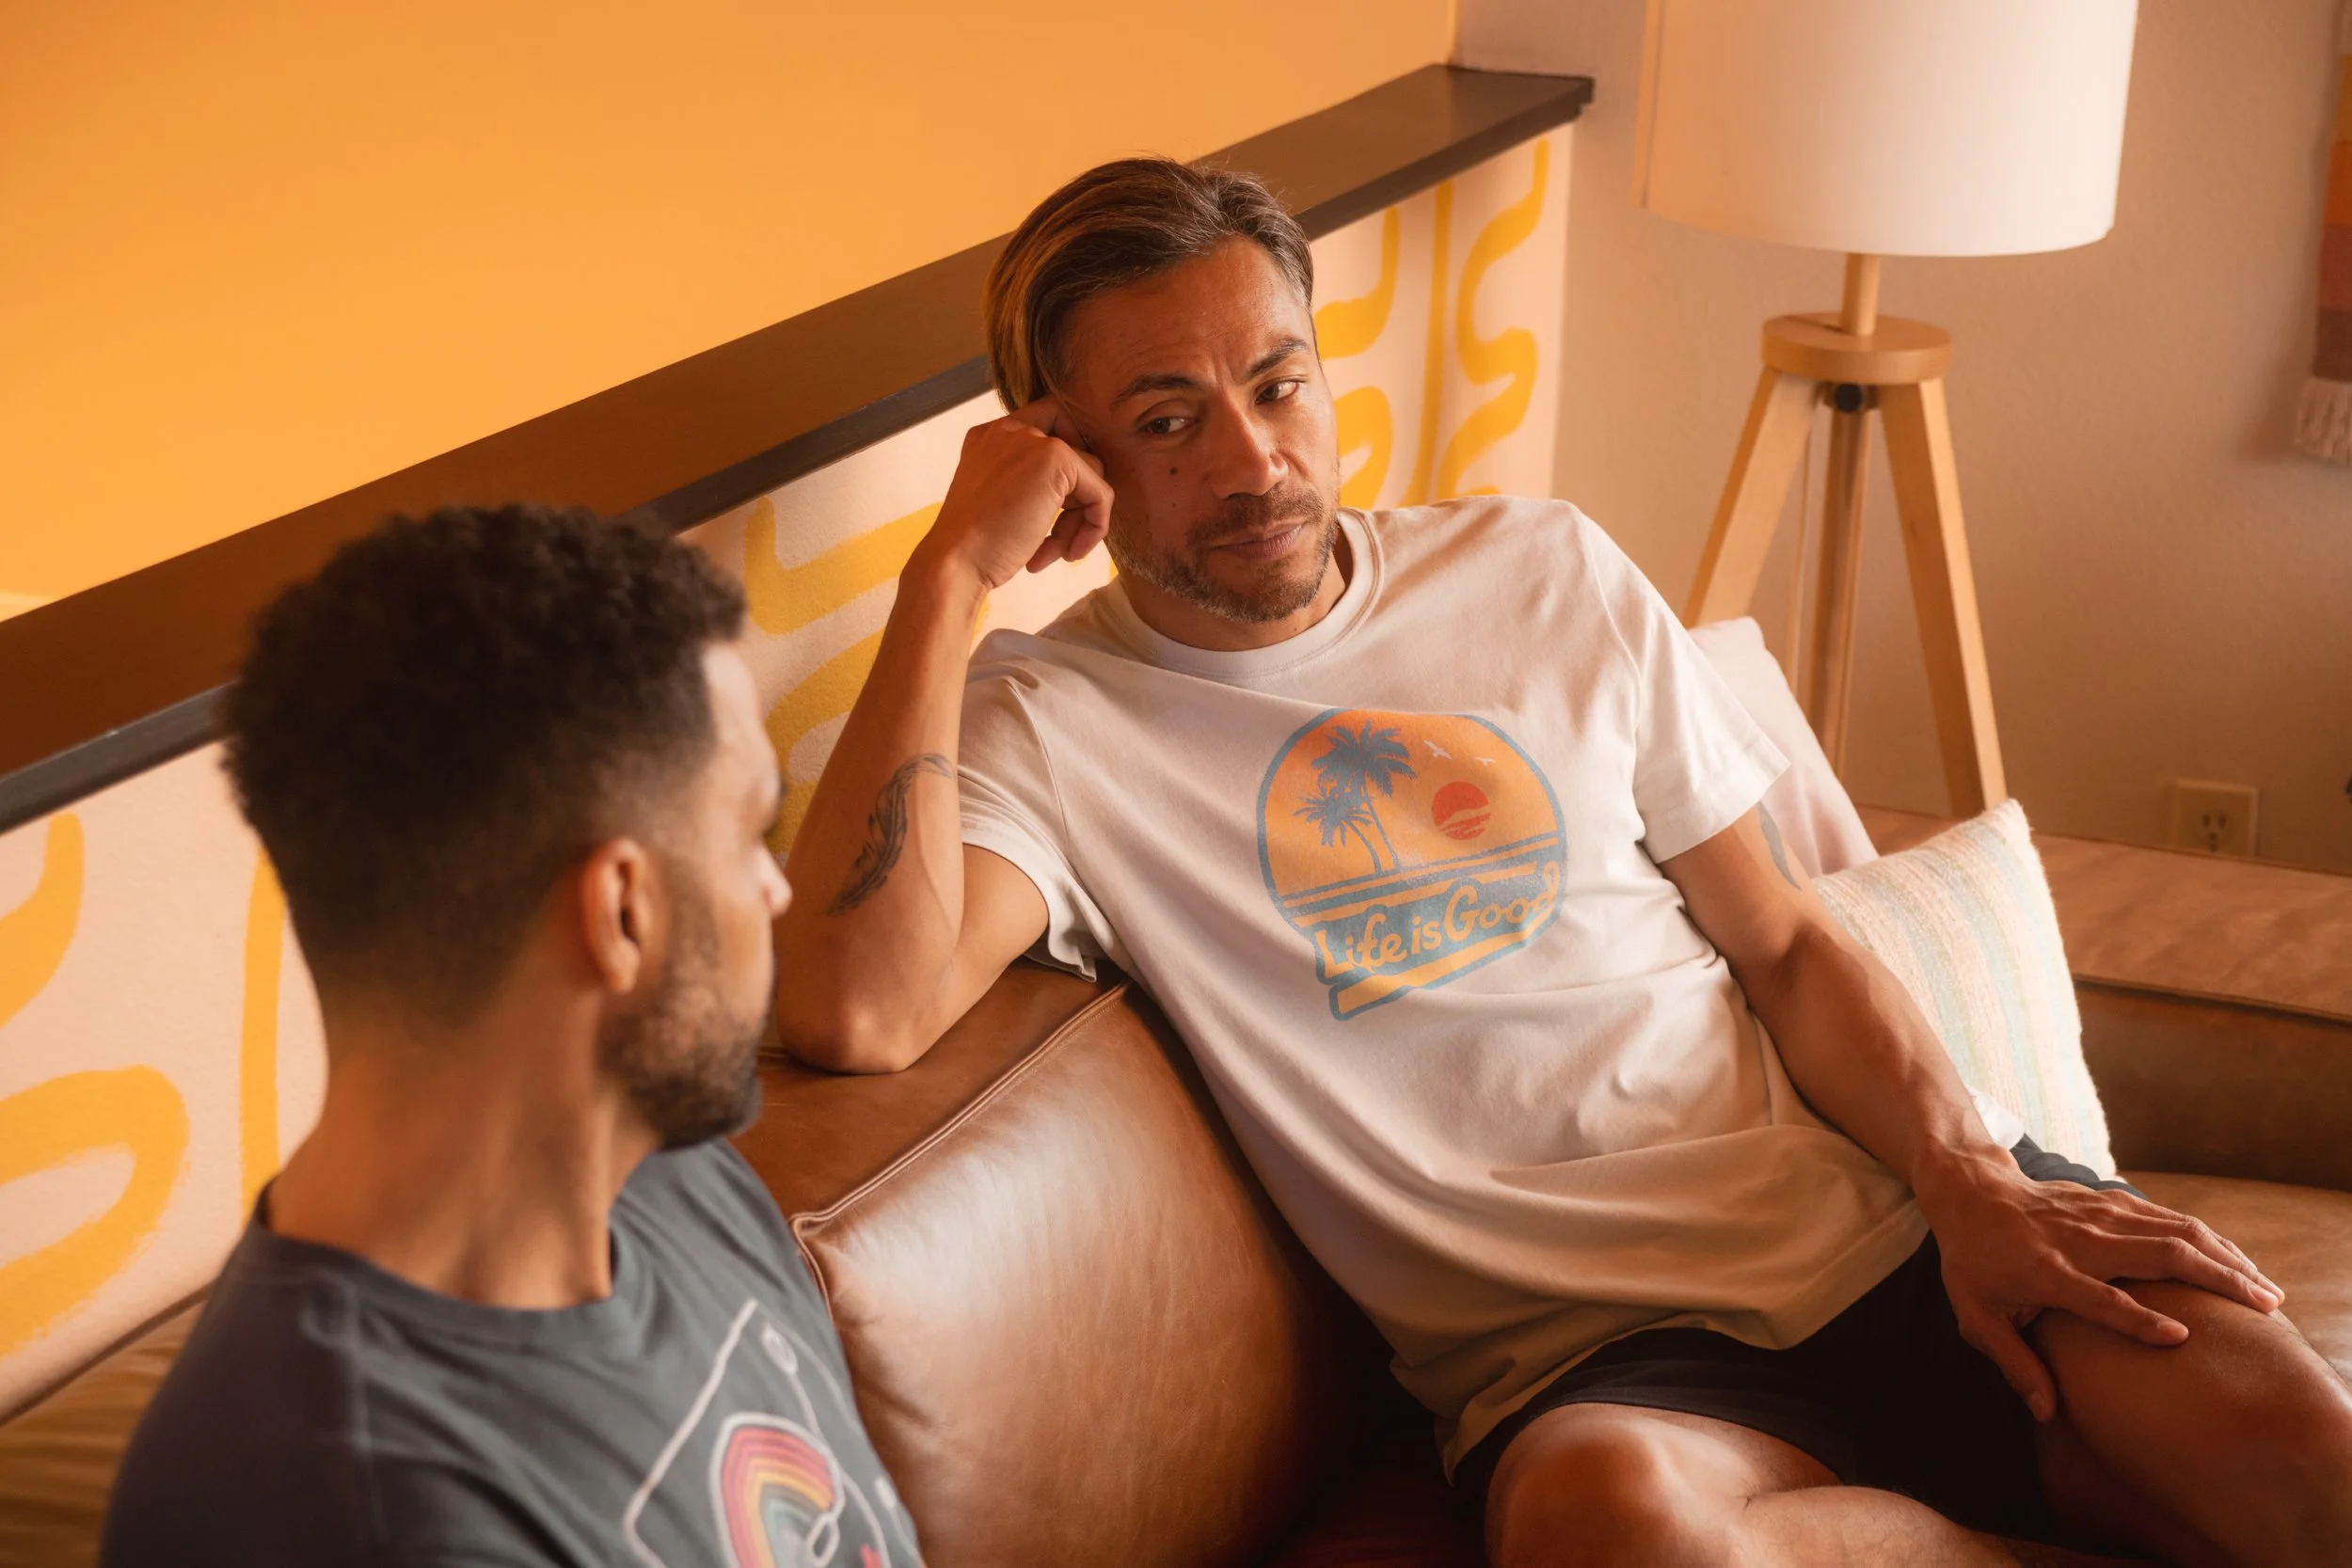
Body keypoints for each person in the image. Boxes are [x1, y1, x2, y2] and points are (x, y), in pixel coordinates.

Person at [771, 159, 2352, 1566]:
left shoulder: (1541, 565)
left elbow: (1787, 943)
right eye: (1170, 419)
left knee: (2309, 1465)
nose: (1253, 462)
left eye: (1279, 382)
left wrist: (1975, 1180)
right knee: (1609, 1534)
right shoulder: (1055, 721)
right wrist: (945, 577)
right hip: (1600, 1363)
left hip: (1889, 1216)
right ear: (1066, 453)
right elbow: (858, 1010)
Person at [103, 508, 923, 1568]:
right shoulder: (339, 1509)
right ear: (621, 912)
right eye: (748, 832)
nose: (775, 889)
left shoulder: (674, 1175)